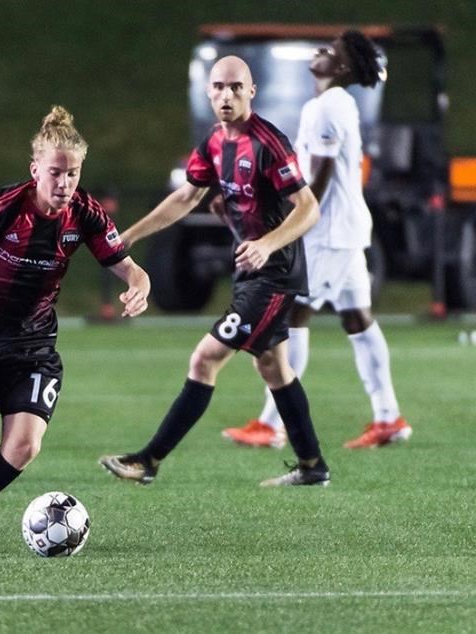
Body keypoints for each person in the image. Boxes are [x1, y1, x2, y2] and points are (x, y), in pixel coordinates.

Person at [0, 106, 151, 554]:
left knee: (23, 447)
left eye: (73, 174)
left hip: (35, 346)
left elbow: (130, 268)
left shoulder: (86, 214)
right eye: (55, 173)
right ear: (35, 169)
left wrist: (140, 286)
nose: (64, 184)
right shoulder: (2, 208)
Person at [99, 56, 330, 487]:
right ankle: (313, 466)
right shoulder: (214, 143)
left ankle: (148, 460)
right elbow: (186, 197)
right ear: (209, 92)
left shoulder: (269, 143)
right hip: (253, 273)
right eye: (219, 87)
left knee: (204, 359)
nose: (227, 95)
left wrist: (265, 244)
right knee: (274, 368)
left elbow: (309, 209)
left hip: (275, 273)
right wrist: (129, 236)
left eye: (236, 88)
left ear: (252, 91)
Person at [223, 30, 411, 451]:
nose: (321, 51)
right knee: (357, 320)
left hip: (327, 234)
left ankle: (272, 425)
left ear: (341, 68)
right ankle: (388, 417)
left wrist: (288, 225)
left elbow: (318, 183)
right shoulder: (329, 104)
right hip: (344, 231)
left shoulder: (329, 106)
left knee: (291, 318)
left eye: (331, 51)